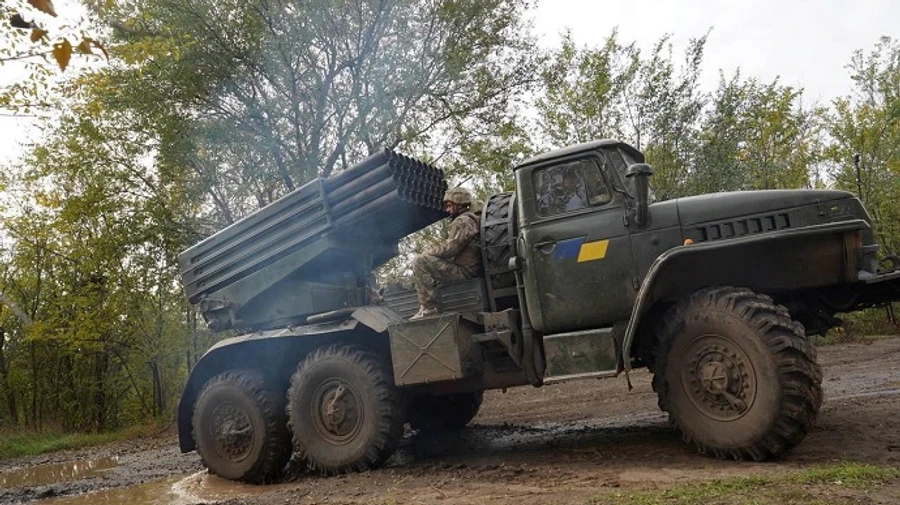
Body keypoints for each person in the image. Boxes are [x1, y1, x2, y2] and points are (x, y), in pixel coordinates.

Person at [410, 187, 482, 320]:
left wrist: (428, 253)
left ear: (459, 204)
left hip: (463, 272)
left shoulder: (463, 221)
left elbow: (451, 249)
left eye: (449, 206)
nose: (447, 210)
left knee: (420, 261)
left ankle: (429, 308)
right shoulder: (470, 219)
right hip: (467, 269)